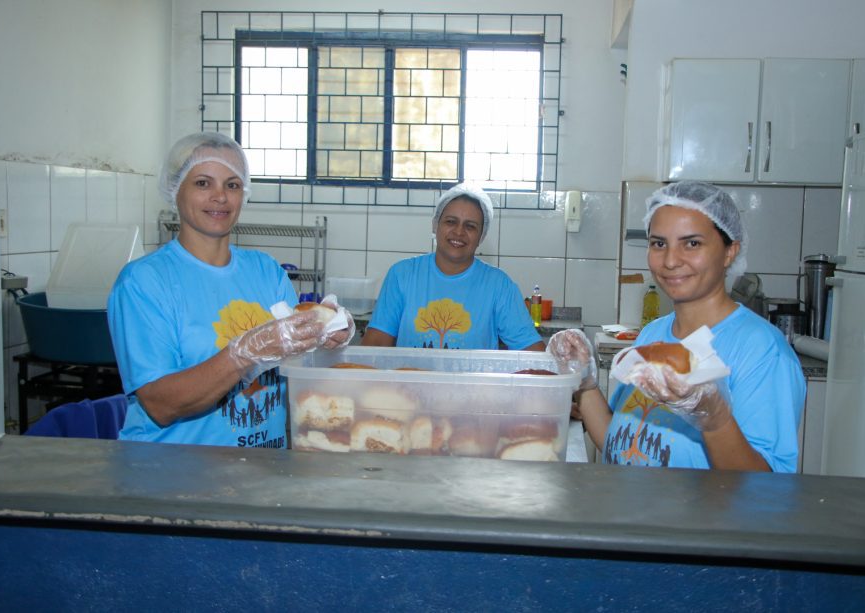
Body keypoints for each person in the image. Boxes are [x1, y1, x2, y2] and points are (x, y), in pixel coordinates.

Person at [107, 132, 354, 447]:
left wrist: (327, 336)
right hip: (173, 468)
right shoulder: (144, 282)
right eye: (203, 183)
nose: (220, 197)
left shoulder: (266, 271)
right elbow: (160, 404)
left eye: (233, 185)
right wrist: (242, 355)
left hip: (263, 466)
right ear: (175, 189)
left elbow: (299, 369)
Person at [549, 180, 805, 472]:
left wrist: (715, 419)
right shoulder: (653, 334)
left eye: (692, 243)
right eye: (659, 244)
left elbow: (763, 488)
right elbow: (618, 443)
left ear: (730, 252)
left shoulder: (761, 350)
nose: (670, 261)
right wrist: (584, 382)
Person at [362, 182, 544, 351]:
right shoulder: (402, 275)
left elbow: (531, 351)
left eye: (470, 226)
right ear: (436, 225)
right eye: (451, 221)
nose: (459, 231)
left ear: (481, 236)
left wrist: (558, 354)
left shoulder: (499, 285)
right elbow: (376, 343)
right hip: (409, 377)